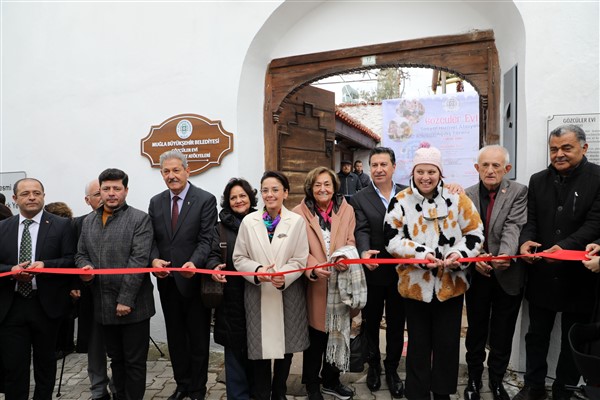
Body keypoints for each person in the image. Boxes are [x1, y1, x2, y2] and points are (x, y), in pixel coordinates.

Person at [383, 145, 484, 400]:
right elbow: (392, 238)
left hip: (450, 285)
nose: (425, 177)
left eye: (431, 171)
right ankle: (417, 393)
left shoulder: (457, 198)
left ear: (440, 173)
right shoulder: (401, 200)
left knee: (448, 344)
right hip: (415, 285)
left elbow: (474, 232)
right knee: (418, 344)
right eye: (420, 171)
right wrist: (419, 254)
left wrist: (458, 256)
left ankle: (442, 392)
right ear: (413, 172)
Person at [517, 124, 600, 400]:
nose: (559, 154)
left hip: (580, 276)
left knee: (570, 338)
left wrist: (563, 248)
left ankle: (563, 390)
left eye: (566, 148)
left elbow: (594, 224)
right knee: (536, 335)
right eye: (554, 149)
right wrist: (525, 241)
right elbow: (531, 221)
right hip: (542, 274)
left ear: (584, 148)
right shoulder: (538, 179)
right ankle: (533, 386)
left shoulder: (598, 178)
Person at [76, 168, 155, 400]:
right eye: (106, 189)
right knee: (116, 360)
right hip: (103, 305)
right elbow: (80, 254)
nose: (111, 193)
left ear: (126, 191)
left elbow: (138, 261)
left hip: (134, 306)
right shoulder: (89, 221)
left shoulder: (139, 219)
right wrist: (85, 269)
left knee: (134, 362)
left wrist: (125, 300)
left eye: (116, 188)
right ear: (99, 191)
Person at [233, 171, 310, 400]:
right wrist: (257, 272)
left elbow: (300, 259)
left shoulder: (296, 221)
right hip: (258, 291)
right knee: (260, 346)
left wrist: (284, 276)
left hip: (287, 291)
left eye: (275, 189)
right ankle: (261, 392)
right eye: (265, 190)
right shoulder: (249, 221)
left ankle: (280, 391)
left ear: (285, 193)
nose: (270, 194)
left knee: (286, 346)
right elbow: (239, 258)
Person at [148, 150, 218, 400]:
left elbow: (207, 238)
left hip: (194, 281)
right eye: (166, 171)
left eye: (176, 170)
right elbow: (152, 239)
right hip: (167, 282)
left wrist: (193, 263)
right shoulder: (156, 202)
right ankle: (182, 384)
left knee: (198, 339)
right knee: (175, 339)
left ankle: (198, 389)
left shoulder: (205, 199)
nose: (171, 175)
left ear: (188, 170)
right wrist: (154, 259)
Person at [293, 167, 367, 400]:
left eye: (327, 184)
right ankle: (312, 384)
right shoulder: (298, 213)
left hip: (340, 284)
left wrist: (345, 258)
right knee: (315, 337)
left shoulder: (346, 210)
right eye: (317, 185)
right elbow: (297, 248)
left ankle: (331, 380)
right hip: (315, 284)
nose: (322, 189)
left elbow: (351, 240)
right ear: (310, 188)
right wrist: (313, 265)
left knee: (338, 332)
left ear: (334, 187)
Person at [0, 178, 76, 400]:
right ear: (15, 199)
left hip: (46, 305)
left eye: (36, 193)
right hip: (11, 306)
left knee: (45, 365)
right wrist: (11, 269)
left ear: (44, 195)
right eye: (25, 194)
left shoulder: (62, 226)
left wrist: (46, 265)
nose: (31, 197)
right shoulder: (2, 228)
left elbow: (71, 260)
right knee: (14, 367)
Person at [464, 145, 528, 400]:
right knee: (476, 331)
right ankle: (473, 380)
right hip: (478, 274)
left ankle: (497, 381)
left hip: (507, 274)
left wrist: (504, 254)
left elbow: (514, 226)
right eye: (485, 166)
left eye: (496, 166)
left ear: (507, 169)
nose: (490, 170)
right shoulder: (466, 195)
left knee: (503, 332)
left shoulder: (518, 192)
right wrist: (476, 256)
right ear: (477, 168)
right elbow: (465, 230)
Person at [349, 147, 407, 398]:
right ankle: (373, 365)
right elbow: (361, 229)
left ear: (394, 166)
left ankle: (392, 368)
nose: (379, 169)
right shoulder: (360, 197)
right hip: (373, 271)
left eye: (384, 164)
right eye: (374, 165)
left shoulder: (409, 193)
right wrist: (363, 253)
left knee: (396, 323)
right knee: (370, 322)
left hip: (402, 271)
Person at [206, 178, 257, 400]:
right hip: (231, 297)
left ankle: (258, 393)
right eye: (233, 197)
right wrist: (212, 266)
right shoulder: (219, 228)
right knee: (234, 351)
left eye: (242, 196)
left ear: (250, 198)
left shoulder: (262, 222)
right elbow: (211, 254)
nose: (238, 200)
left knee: (257, 352)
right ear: (227, 202)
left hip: (259, 294)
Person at [72, 179, 112, 400]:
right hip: (91, 293)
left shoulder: (129, 219)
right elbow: (74, 255)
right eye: (98, 193)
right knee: (95, 345)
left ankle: (119, 384)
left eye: (106, 190)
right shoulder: (79, 224)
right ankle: (98, 388)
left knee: (119, 346)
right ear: (87, 200)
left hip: (119, 293)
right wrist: (76, 285)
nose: (104, 196)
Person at [44, 201, 77, 359]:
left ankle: (63, 346)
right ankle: (66, 345)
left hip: (64, 280)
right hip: (64, 281)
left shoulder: (64, 229)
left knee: (64, 317)